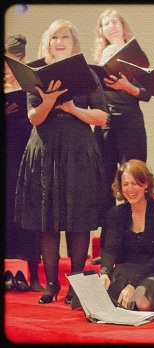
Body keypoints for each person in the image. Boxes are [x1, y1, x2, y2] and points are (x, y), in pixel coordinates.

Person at [14, 19, 108, 304]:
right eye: (54, 36)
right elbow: (34, 117)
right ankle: (51, 283)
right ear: (48, 42)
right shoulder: (36, 72)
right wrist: (48, 101)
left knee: (78, 218)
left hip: (78, 149)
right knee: (47, 217)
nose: (59, 41)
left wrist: (72, 108)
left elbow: (102, 117)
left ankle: (77, 284)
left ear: (74, 42)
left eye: (65, 36)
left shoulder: (87, 73)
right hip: (45, 148)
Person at [92, 9, 151, 259]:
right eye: (105, 24)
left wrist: (127, 86)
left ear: (122, 25)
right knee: (106, 183)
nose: (110, 26)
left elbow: (148, 94)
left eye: (114, 21)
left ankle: (134, 245)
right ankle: (108, 248)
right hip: (105, 122)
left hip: (130, 121)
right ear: (102, 31)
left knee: (134, 181)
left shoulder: (135, 55)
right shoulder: (98, 58)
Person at [99, 159, 154, 312]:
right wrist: (105, 273)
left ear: (146, 184)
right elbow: (110, 249)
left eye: (135, 183)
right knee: (97, 295)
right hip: (127, 270)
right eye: (126, 184)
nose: (130, 189)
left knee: (142, 302)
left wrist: (133, 284)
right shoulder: (115, 213)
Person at [4, 34, 43, 292]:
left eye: (14, 62)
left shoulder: (32, 84)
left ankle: (34, 276)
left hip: (28, 156)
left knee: (30, 214)